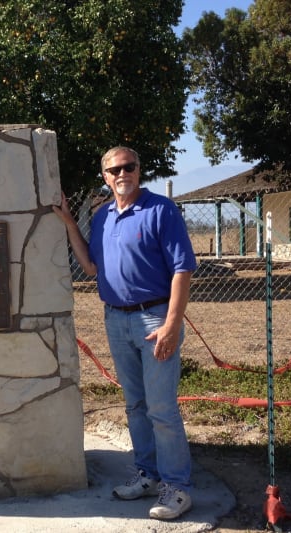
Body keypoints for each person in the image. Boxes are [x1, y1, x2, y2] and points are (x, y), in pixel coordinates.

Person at [53, 146, 197, 520]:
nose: (122, 174)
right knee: (135, 405)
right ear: (105, 176)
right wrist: (70, 223)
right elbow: (90, 267)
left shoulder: (161, 210)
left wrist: (172, 322)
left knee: (162, 408)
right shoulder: (102, 218)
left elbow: (182, 269)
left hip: (154, 320)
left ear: (138, 170)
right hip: (116, 320)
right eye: (114, 169)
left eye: (128, 167)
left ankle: (177, 488)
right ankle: (147, 475)